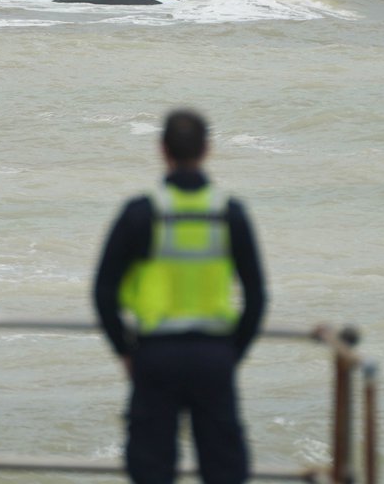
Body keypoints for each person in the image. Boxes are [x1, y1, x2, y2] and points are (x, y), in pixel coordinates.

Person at [93, 109, 267, 484]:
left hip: (155, 356)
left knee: (151, 469)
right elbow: (256, 295)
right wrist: (234, 352)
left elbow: (103, 290)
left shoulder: (140, 214)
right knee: (224, 470)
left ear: (162, 150)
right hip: (213, 355)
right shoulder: (229, 213)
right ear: (207, 149)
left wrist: (123, 350)